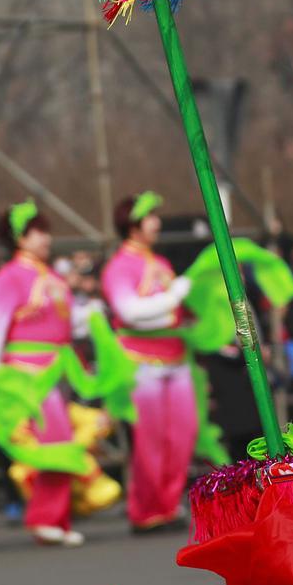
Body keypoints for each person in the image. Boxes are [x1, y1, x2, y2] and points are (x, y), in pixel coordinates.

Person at [0, 201, 121, 547]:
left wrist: (89, 315)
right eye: (37, 231)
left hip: (55, 375)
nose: (45, 237)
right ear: (20, 237)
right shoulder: (9, 278)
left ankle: (55, 518)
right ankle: (47, 518)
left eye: (45, 230)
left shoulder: (52, 277)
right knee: (55, 444)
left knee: (59, 443)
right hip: (26, 379)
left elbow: (65, 322)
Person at [101, 192, 198, 533]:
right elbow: (129, 312)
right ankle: (146, 511)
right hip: (142, 365)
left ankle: (169, 505)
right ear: (132, 224)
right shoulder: (119, 268)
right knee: (151, 442)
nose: (157, 222)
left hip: (177, 361)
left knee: (183, 435)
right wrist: (174, 298)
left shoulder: (161, 264)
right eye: (150, 217)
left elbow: (176, 310)